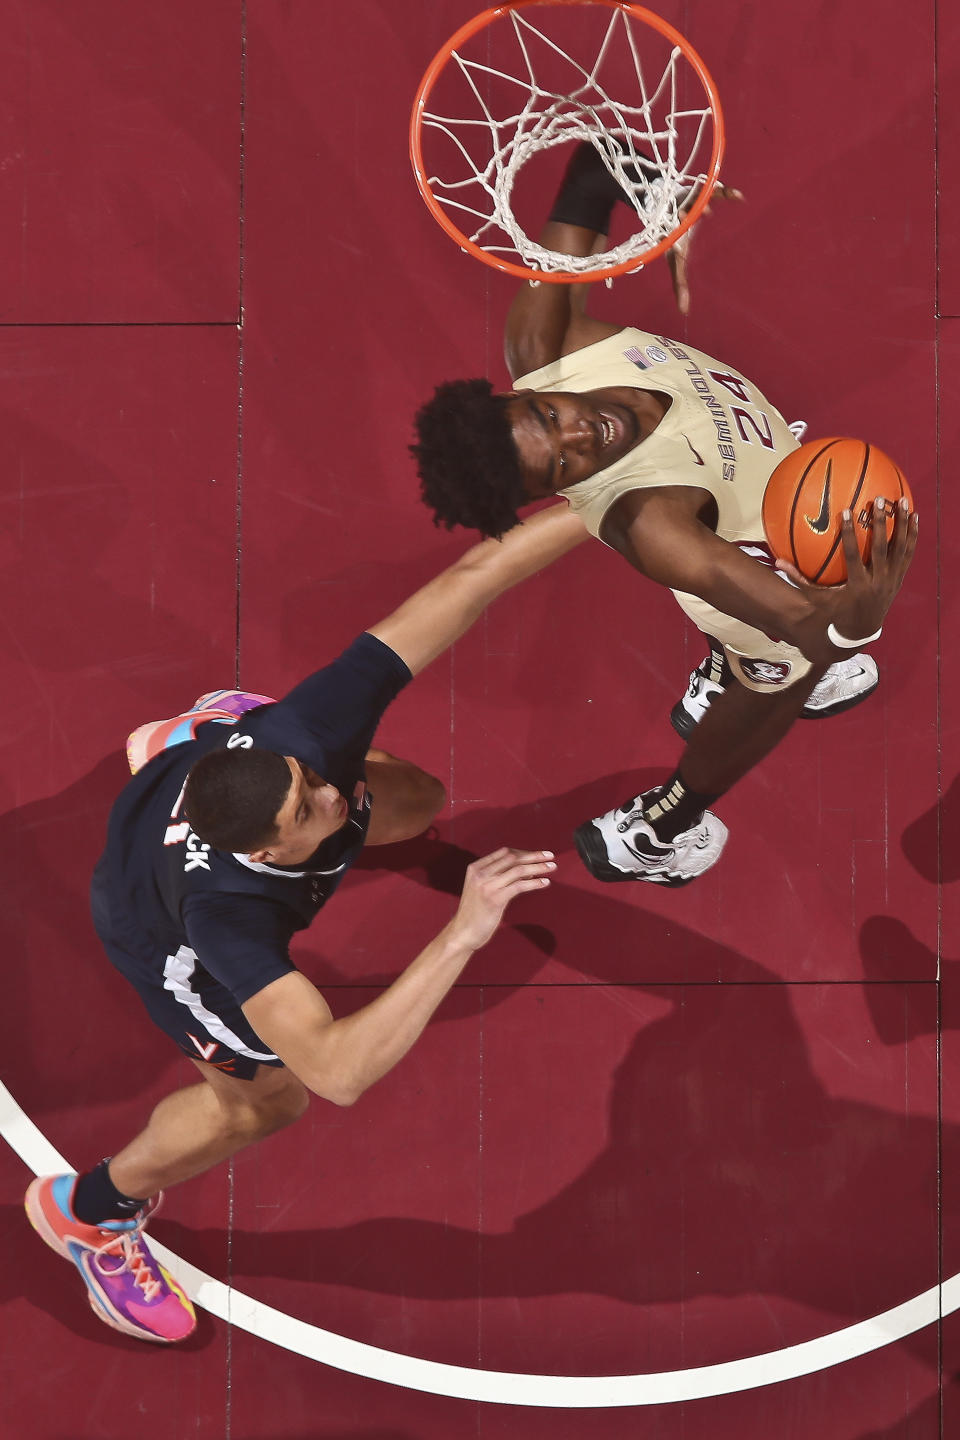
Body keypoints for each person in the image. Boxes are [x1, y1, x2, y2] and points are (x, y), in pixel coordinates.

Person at [24, 503, 587, 1345]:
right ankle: (91, 1214)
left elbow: (475, 577)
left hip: (221, 771)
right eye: (307, 803)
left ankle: (204, 735)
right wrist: (464, 931)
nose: (330, 788)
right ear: (273, 845)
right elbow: (339, 1071)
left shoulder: (298, 739)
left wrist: (607, 502)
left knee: (411, 801)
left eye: (303, 778)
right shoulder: (226, 926)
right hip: (157, 925)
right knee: (268, 1103)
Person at [411, 143, 918, 888]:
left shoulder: (543, 342)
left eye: (551, 417)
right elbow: (813, 626)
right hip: (769, 581)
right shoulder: (651, 520)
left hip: (766, 485)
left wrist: (657, 187)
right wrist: (860, 617)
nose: (583, 435)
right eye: (562, 466)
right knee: (788, 672)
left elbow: (588, 172)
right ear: (552, 489)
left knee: (768, 645)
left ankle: (722, 667)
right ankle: (661, 828)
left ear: (523, 389)